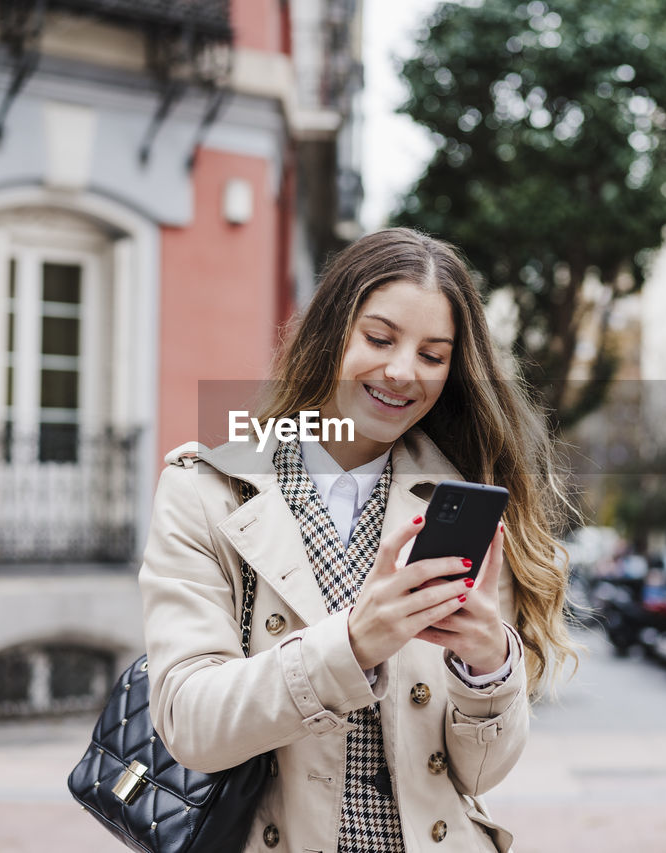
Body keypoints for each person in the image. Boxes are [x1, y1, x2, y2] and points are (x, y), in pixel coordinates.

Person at [140, 227, 574, 852]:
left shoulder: (463, 506)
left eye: (433, 354)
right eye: (379, 338)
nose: (401, 372)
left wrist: (487, 666)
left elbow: (479, 774)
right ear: (330, 332)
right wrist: (350, 644)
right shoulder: (207, 491)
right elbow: (191, 723)